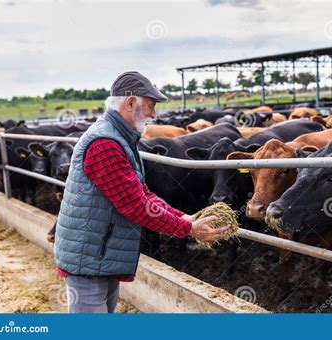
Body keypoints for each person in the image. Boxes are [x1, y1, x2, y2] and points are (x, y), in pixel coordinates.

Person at [54, 71, 229, 313]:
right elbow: (135, 205)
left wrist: (182, 217)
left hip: (100, 252)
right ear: (130, 103)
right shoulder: (105, 143)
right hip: (90, 256)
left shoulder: (118, 137)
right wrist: (188, 229)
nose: (154, 115)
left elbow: (142, 192)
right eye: (151, 106)